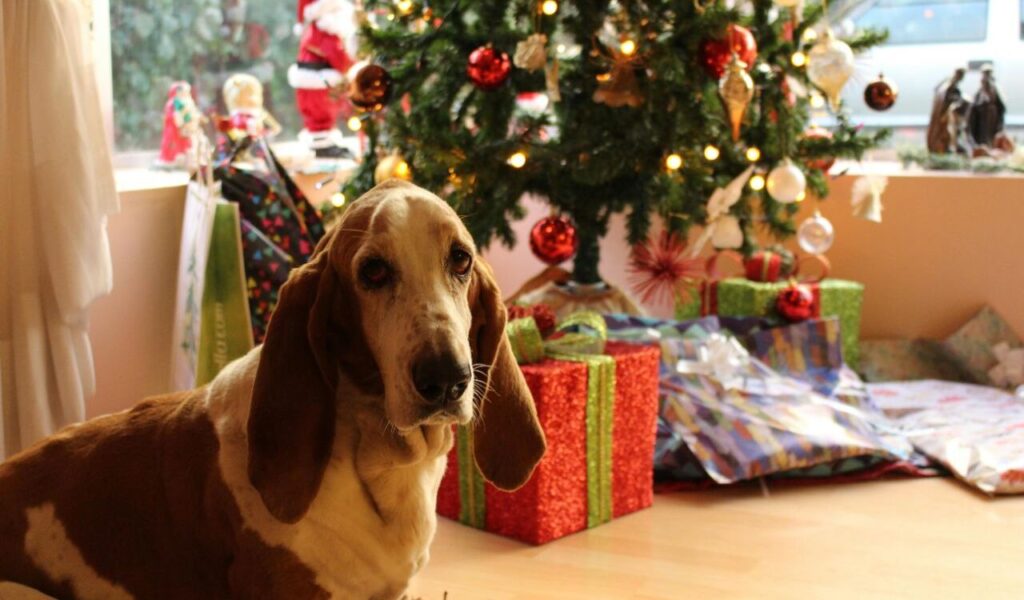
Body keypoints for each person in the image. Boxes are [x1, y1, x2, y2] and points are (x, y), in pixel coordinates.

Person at [288, 0, 359, 158]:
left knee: (321, 116)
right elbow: (338, 57)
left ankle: (323, 143)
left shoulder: (316, 29)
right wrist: (352, 66)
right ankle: (322, 147)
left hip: (314, 82)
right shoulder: (325, 31)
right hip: (318, 84)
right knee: (322, 114)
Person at [926, 67, 966, 154]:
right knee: (945, 132)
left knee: (950, 131)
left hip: (947, 112)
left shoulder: (950, 84)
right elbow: (945, 97)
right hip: (944, 113)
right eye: (962, 75)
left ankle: (947, 148)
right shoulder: (949, 84)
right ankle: (943, 148)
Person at [967, 66, 1007, 149]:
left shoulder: (995, 88)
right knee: (982, 134)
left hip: (992, 116)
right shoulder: (980, 90)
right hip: (982, 117)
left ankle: (992, 147)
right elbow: (975, 103)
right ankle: (983, 147)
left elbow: (1000, 104)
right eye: (984, 74)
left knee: (991, 134)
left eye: (987, 74)